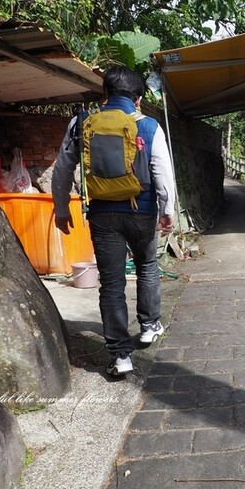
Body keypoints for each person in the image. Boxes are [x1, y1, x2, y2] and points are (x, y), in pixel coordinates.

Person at [52, 66, 176, 377]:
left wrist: (62, 208)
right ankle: (149, 327)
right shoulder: (148, 125)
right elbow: (162, 171)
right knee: (146, 266)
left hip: (103, 215)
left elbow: (62, 169)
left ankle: (121, 356)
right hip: (142, 212)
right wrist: (167, 208)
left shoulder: (82, 124)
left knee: (112, 282)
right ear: (138, 99)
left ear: (106, 94)